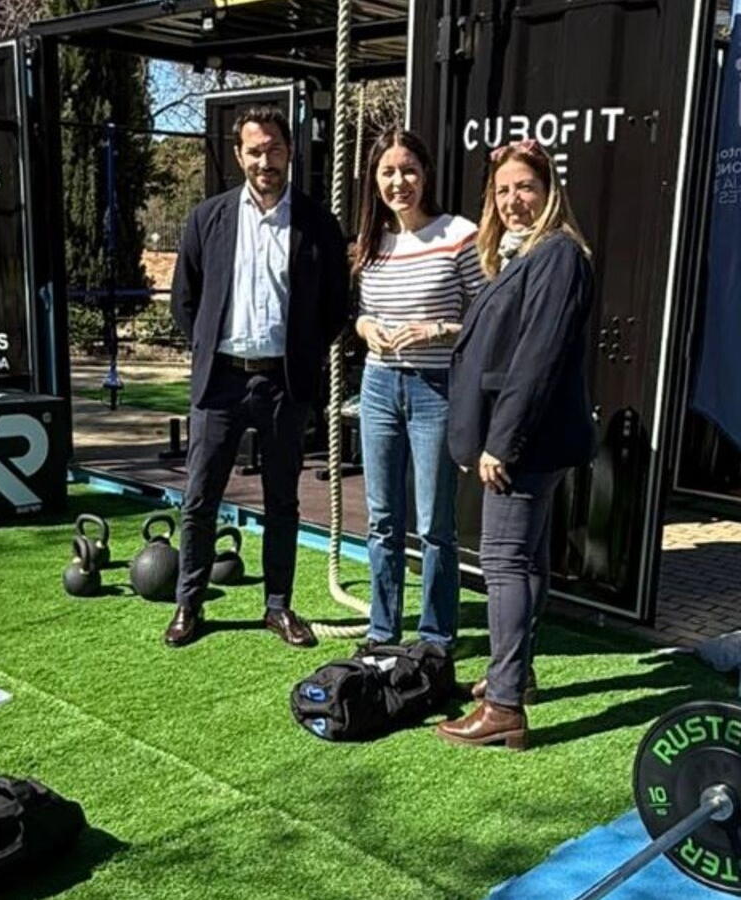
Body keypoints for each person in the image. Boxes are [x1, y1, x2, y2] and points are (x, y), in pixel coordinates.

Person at [165, 106, 351, 649]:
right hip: (219, 382)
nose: (264, 161)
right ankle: (189, 603)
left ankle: (278, 606)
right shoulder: (207, 218)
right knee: (200, 498)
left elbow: (335, 307)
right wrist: (209, 347)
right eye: (254, 151)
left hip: (283, 385)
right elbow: (185, 301)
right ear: (238, 154)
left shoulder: (318, 224)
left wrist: (303, 354)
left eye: (274, 149)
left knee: (282, 503)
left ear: (289, 152)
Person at [435, 139, 594, 750]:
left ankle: (503, 707)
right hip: (531, 439)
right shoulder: (526, 255)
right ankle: (515, 677)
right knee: (524, 562)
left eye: (524, 186)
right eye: (502, 191)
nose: (512, 200)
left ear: (549, 190)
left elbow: (538, 357)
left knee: (504, 564)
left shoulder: (557, 254)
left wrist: (501, 442)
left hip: (524, 443)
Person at [352, 128, 484, 652]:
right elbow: (362, 313)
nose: (398, 181)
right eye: (387, 171)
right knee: (382, 520)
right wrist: (367, 328)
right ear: (374, 178)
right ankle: (382, 631)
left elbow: (488, 317)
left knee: (433, 524)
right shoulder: (372, 241)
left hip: (436, 389)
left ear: (425, 173)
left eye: (408, 169)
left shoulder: (459, 234)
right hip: (378, 385)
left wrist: (438, 330)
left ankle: (435, 635)